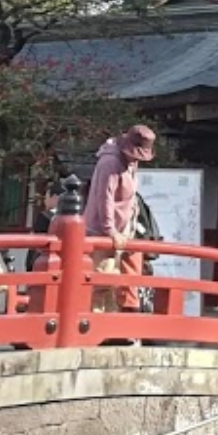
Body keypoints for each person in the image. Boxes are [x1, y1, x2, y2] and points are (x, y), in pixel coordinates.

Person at [85, 124, 155, 313]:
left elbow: (130, 198)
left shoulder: (131, 162)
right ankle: (94, 325)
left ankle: (109, 328)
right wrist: (110, 230)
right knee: (101, 279)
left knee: (115, 283)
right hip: (102, 229)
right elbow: (104, 197)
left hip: (122, 229)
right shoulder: (110, 162)